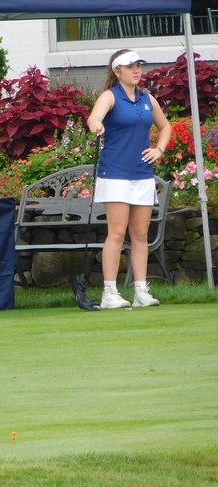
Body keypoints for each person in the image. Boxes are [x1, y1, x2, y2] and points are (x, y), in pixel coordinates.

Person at [87, 49, 171, 309]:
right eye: (129, 66)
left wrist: (159, 149)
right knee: (117, 232)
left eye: (138, 66)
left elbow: (165, 127)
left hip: (142, 174)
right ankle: (109, 293)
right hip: (115, 173)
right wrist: (95, 124)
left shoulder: (147, 98)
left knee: (140, 234)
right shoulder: (110, 96)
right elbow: (94, 117)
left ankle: (140, 292)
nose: (136, 70)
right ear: (117, 71)